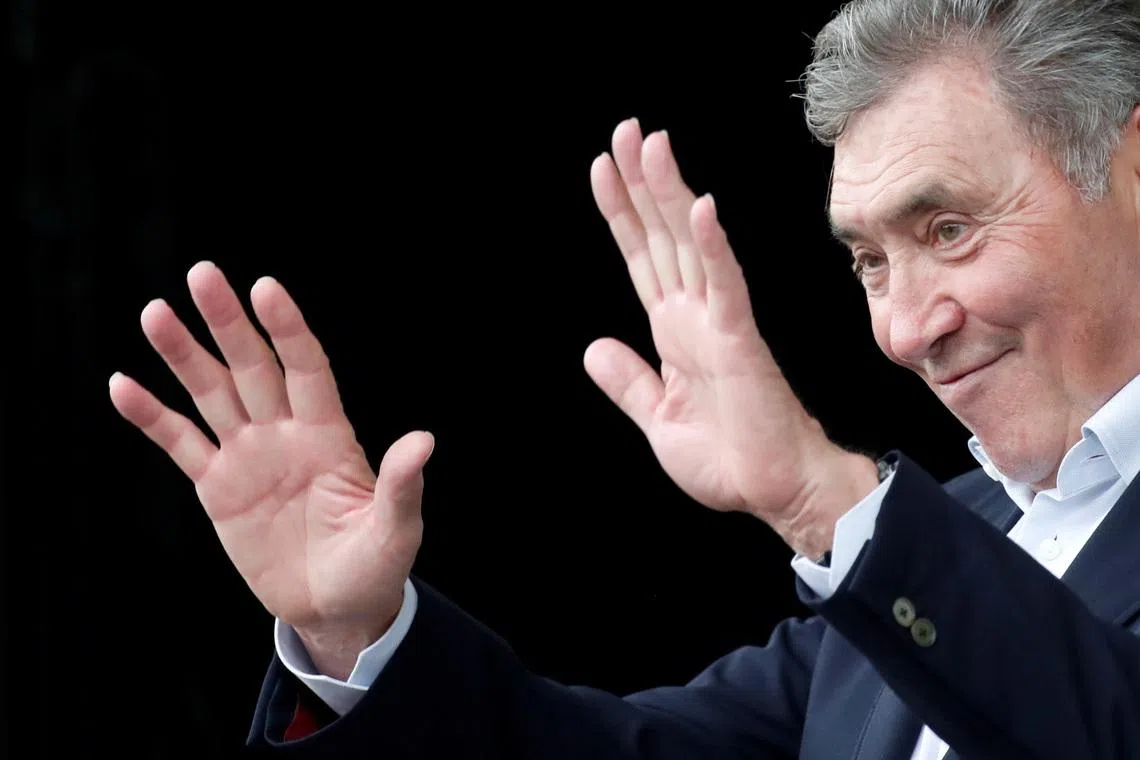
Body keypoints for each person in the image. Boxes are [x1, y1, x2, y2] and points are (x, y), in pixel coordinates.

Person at [110, 0, 1140, 756]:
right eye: (870, 262)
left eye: (949, 229)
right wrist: (357, 634)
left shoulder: (884, 548)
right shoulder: (928, 551)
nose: (906, 328)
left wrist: (821, 496)